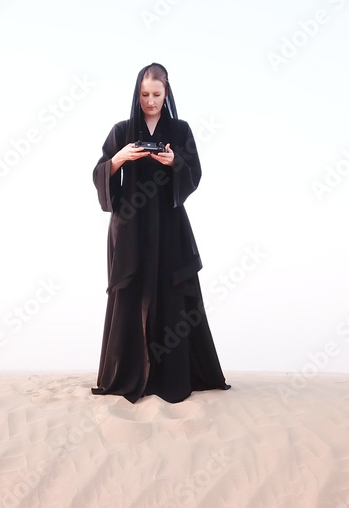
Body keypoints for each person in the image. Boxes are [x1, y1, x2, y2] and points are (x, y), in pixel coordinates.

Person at [89, 62, 231, 404]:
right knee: (130, 295)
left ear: (167, 94)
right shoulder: (122, 130)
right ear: (136, 94)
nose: (150, 101)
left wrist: (174, 163)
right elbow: (99, 171)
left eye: (156, 94)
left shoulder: (179, 130)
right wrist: (119, 158)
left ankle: (173, 375)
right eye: (144, 94)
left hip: (169, 227)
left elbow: (195, 173)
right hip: (130, 228)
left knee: (173, 296)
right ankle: (125, 375)